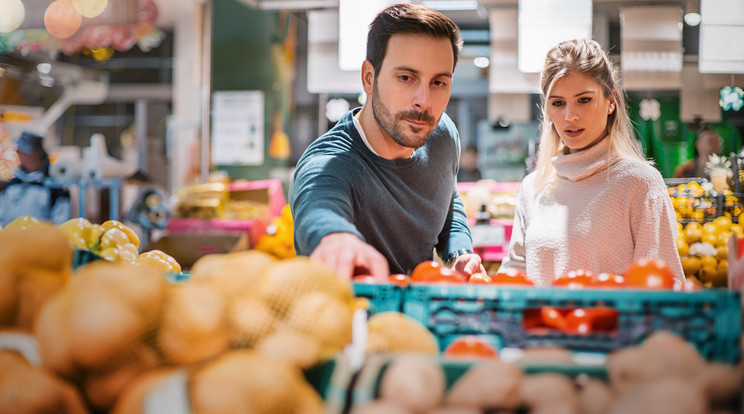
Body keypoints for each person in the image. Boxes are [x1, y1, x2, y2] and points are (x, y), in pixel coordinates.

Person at [289, 4, 484, 280]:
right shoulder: (332, 163)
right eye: (406, 77)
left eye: (439, 82)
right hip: (351, 318)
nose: (424, 101)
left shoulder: (442, 135)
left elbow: (447, 199)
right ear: (369, 79)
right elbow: (319, 208)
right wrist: (335, 237)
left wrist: (459, 252)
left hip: (418, 317)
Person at [498, 39, 685, 286]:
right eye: (557, 103)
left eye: (584, 100)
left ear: (611, 102)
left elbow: (662, 285)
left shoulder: (639, 183)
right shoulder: (533, 188)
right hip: (542, 325)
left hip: (612, 325)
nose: (569, 116)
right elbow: (515, 276)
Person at [0, 131, 71, 226]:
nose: (19, 155)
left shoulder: (54, 187)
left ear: (33, 155)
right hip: (12, 239)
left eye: (21, 152)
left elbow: (62, 221)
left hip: (42, 240)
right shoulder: (13, 184)